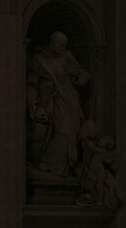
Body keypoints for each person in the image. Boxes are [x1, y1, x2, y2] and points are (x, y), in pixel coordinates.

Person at [26, 31, 90, 177]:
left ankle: (67, 167)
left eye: (65, 46)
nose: (64, 48)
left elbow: (82, 74)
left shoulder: (67, 56)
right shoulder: (39, 60)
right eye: (61, 45)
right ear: (52, 43)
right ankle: (52, 166)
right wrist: (32, 104)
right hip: (52, 100)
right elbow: (32, 83)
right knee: (63, 132)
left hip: (71, 101)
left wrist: (76, 74)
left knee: (73, 131)